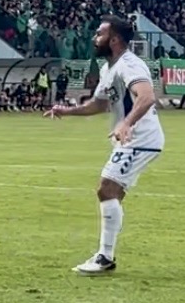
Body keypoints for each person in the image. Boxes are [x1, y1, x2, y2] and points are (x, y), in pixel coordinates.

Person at [47, 18, 163, 275]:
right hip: (132, 139)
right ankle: (106, 253)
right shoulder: (108, 68)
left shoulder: (130, 64)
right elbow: (99, 104)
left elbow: (146, 97)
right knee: (113, 194)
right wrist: (66, 110)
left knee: (106, 188)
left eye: (99, 34)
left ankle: (105, 257)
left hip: (140, 138)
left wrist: (126, 123)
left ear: (114, 39)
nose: (94, 38)